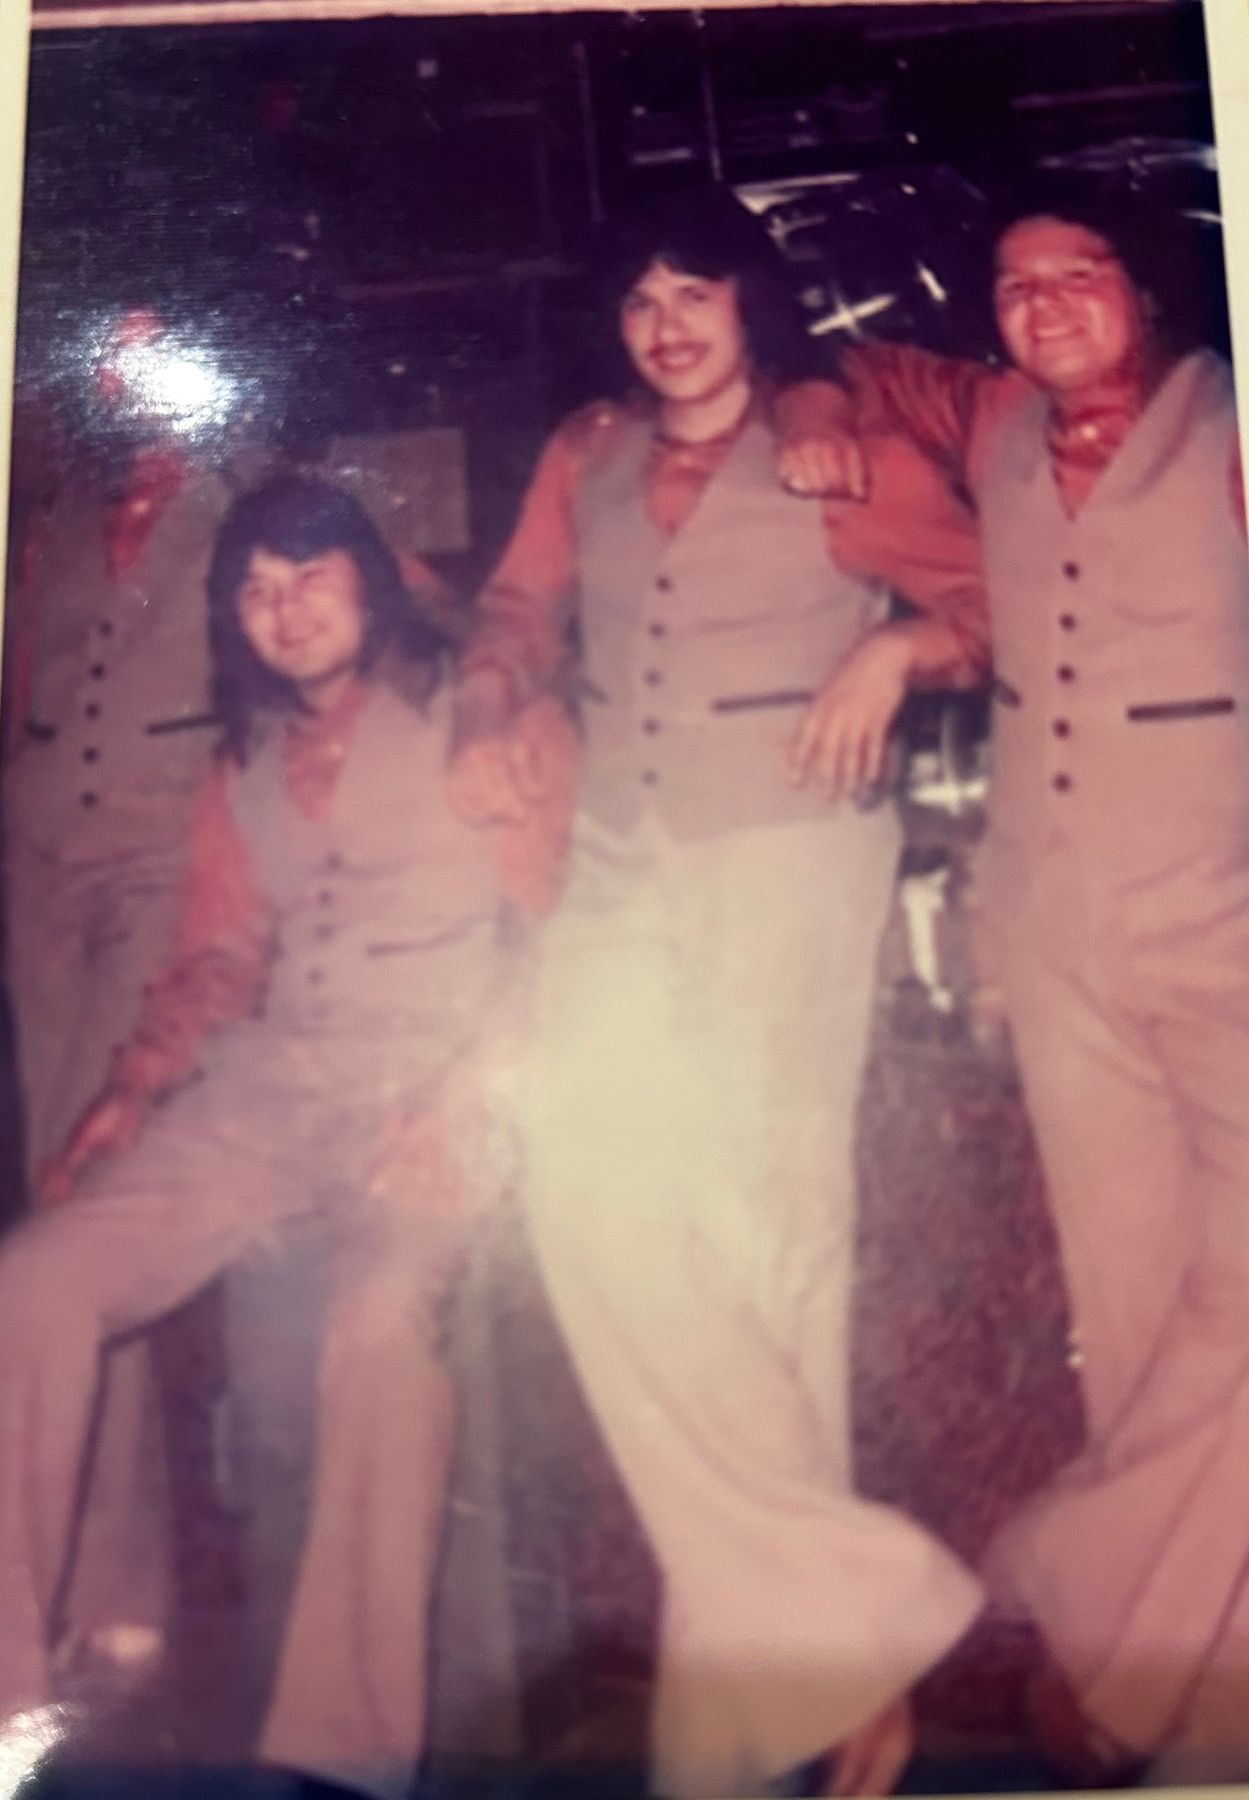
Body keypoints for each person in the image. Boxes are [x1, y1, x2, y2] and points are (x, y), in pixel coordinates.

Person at [448, 189, 986, 1799]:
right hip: (620, 862)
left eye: (694, 293)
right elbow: (514, 608)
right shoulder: (587, 453)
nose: (665, 326)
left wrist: (891, 651)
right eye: (639, 301)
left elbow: (992, 603)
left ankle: (742, 1715)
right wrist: (487, 701)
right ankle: (850, 1620)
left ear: (750, 303)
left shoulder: (841, 453)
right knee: (578, 1186)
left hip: (789, 855)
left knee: (771, 1240)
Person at [775, 180, 1249, 1783]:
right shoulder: (989, 423)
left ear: (1147, 283)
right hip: (1051, 926)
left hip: (1224, 917)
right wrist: (813, 399)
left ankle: (1072, 1580)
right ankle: (1190, 1703)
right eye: (1012, 281)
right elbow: (851, 368)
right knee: (1127, 1302)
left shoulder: (1224, 428)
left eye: (1076, 271)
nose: (1041, 304)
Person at [0, 475, 571, 1800]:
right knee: (32, 1283)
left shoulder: (489, 722)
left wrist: (468, 1099)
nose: (285, 611)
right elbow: (217, 959)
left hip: (443, 1088)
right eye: (256, 591)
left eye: (311, 577)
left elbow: (556, 948)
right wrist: (130, 1090)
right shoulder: (241, 761)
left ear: (371, 581)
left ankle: (342, 1755)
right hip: (270, 1094)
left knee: (378, 1330)